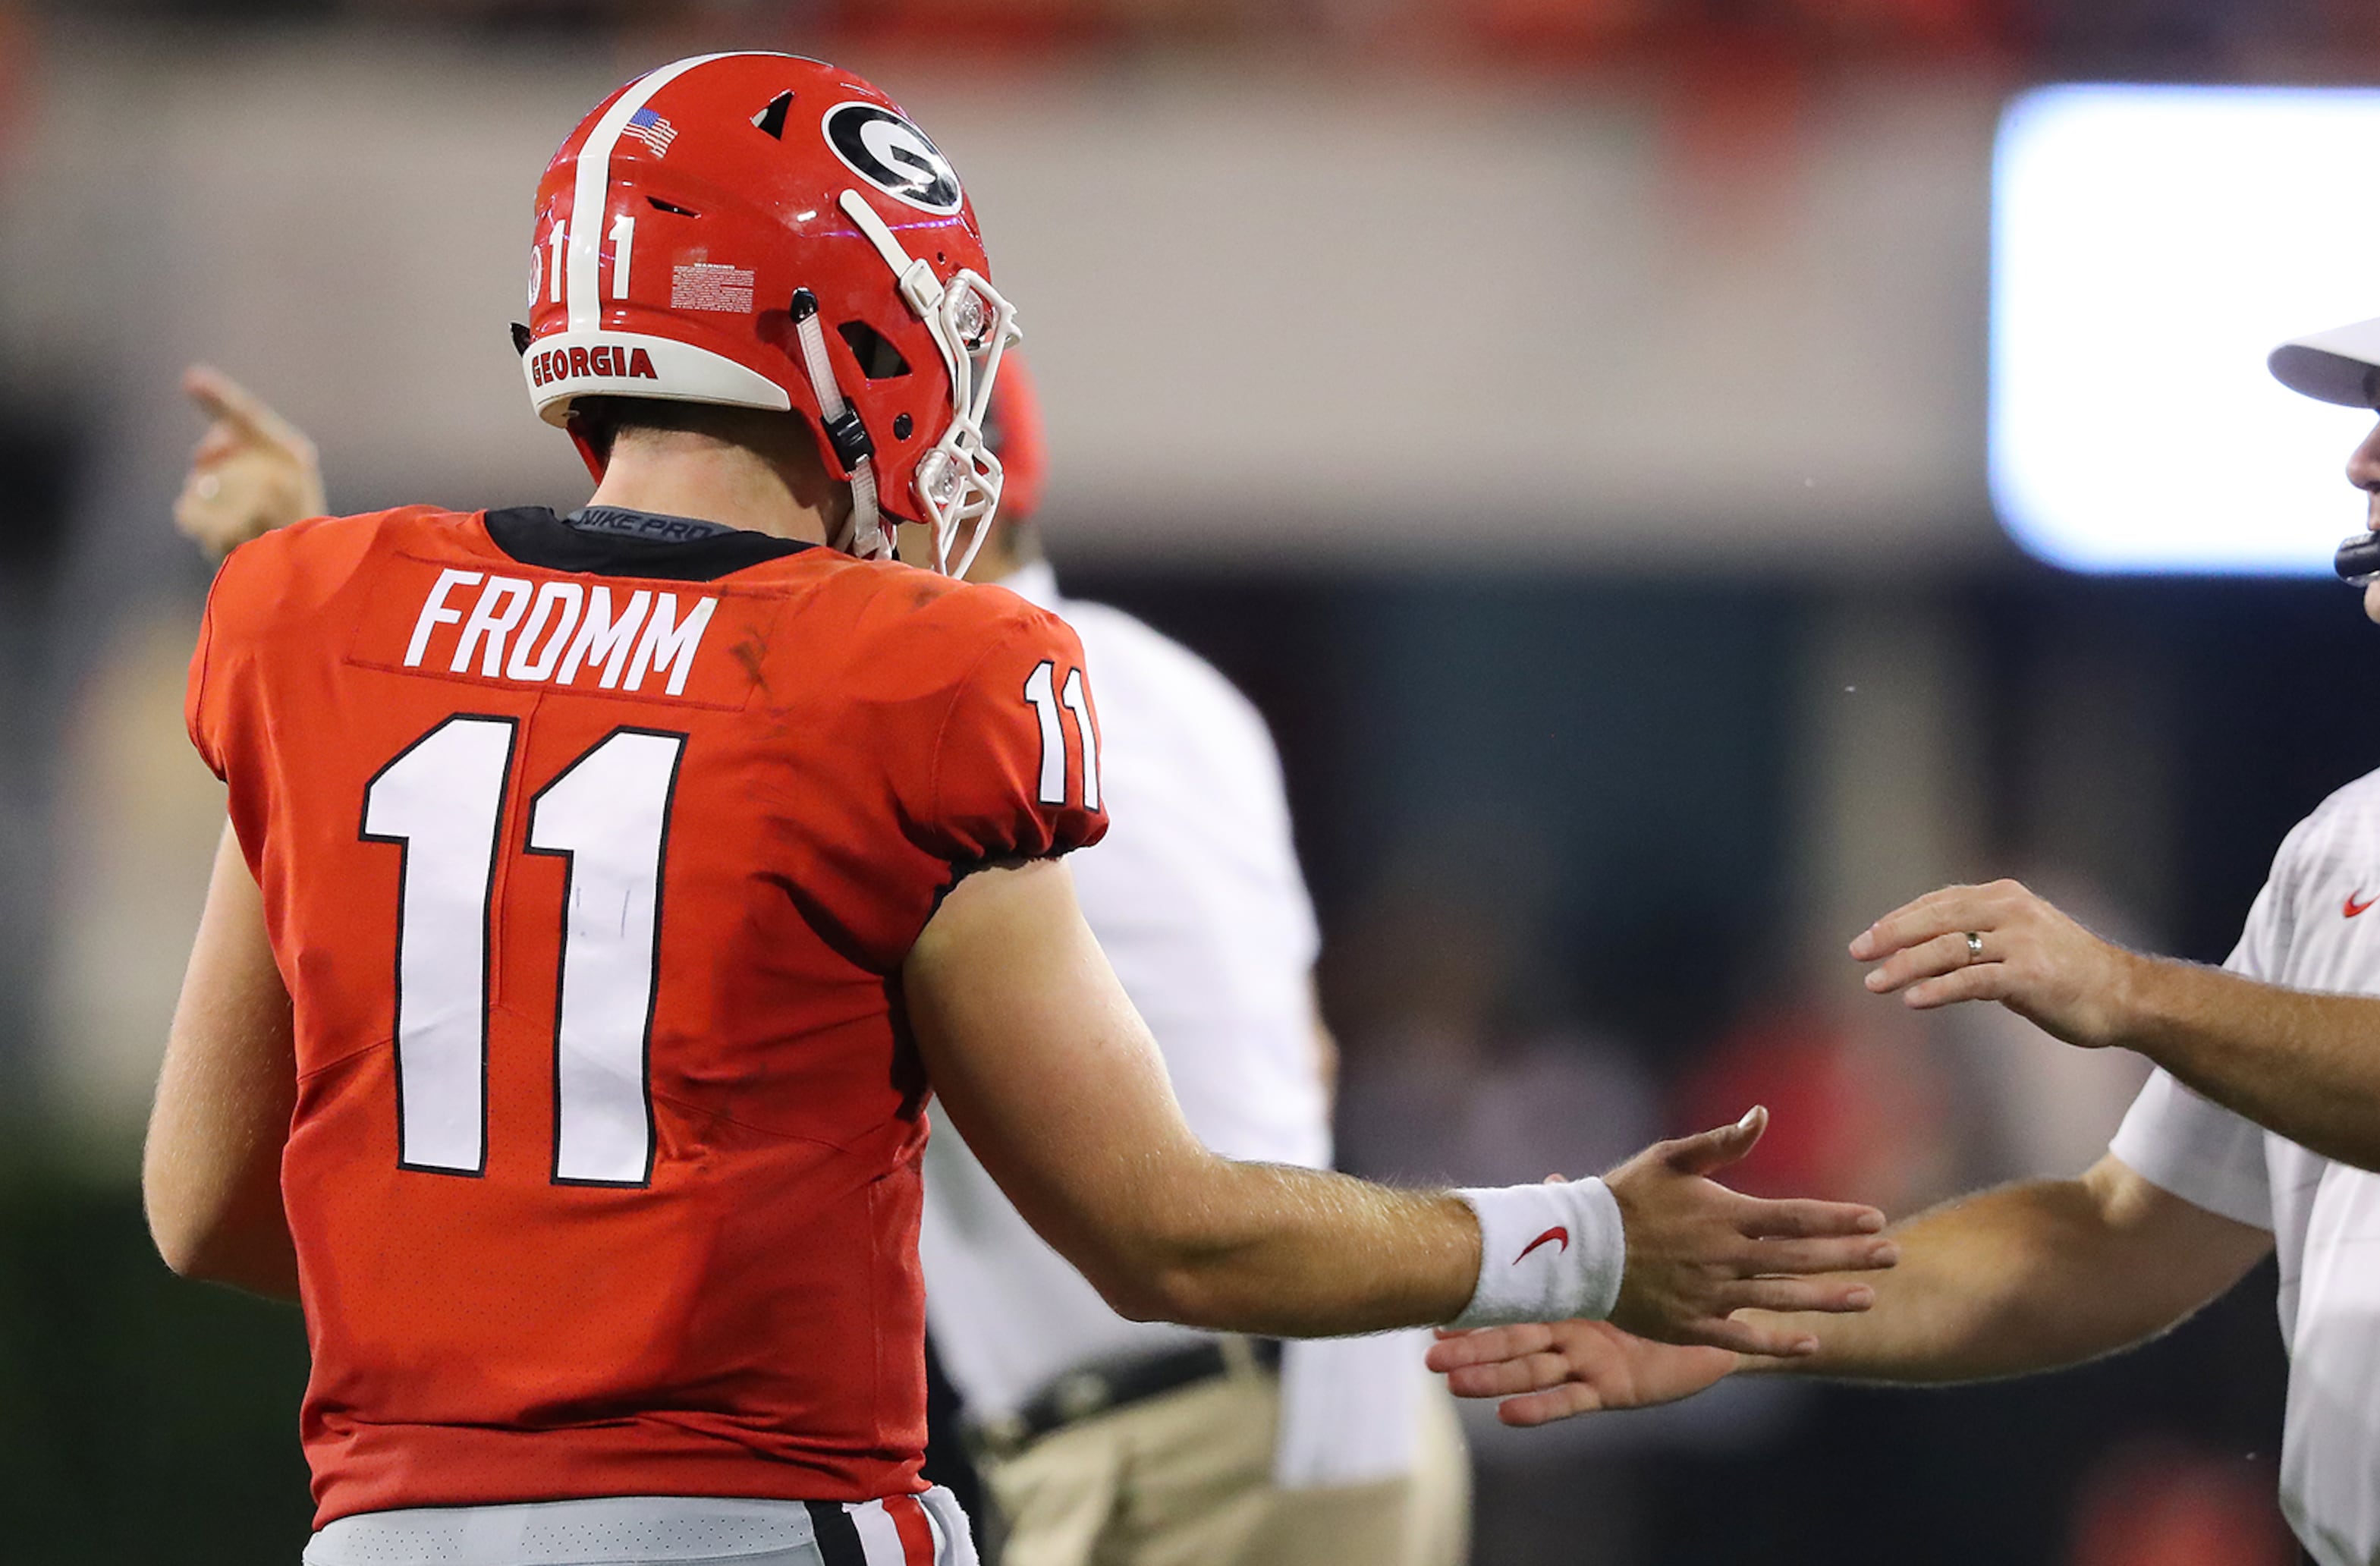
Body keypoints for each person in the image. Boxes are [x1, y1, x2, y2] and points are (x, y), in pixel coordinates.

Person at [142, 51, 1897, 1566]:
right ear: (844, 340)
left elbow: (207, 1204)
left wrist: (508, 1276)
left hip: (384, 1528)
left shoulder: (309, 622)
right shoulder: (919, 672)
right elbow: (1162, 1228)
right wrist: (1580, 1236)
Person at [1433, 230, 2380, 1566]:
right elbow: (2122, 1236)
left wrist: (2133, 991)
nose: (2369, 460)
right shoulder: (2356, 840)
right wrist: (1748, 1322)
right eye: (2377, 411)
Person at [174, 347, 1473, 1566]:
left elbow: (1138, 1215)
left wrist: (332, 626)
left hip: (1179, 1425)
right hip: (1324, 1400)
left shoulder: (901, 705)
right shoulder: (1173, 694)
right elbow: (1299, 1054)